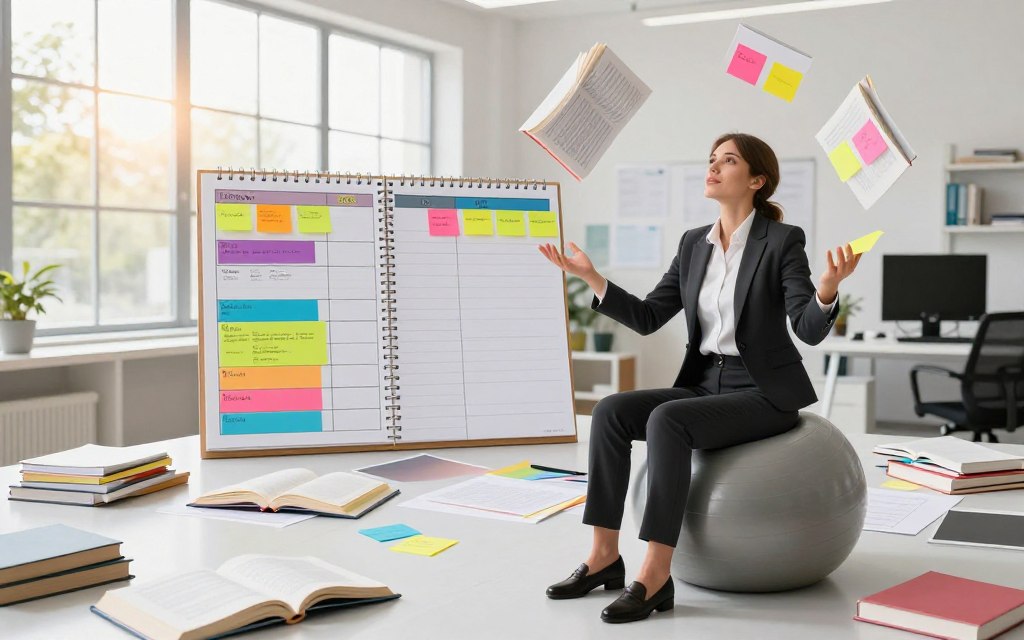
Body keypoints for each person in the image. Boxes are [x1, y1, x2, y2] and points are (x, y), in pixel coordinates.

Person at [537, 133, 861, 624]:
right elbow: (649, 316)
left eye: (727, 161)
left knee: (668, 421)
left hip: (762, 392)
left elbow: (807, 330)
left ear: (756, 180)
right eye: (711, 159)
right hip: (703, 381)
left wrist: (827, 292)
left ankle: (655, 574)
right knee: (609, 412)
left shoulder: (782, 241)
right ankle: (604, 556)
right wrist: (592, 278)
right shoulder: (694, 243)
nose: (713, 167)